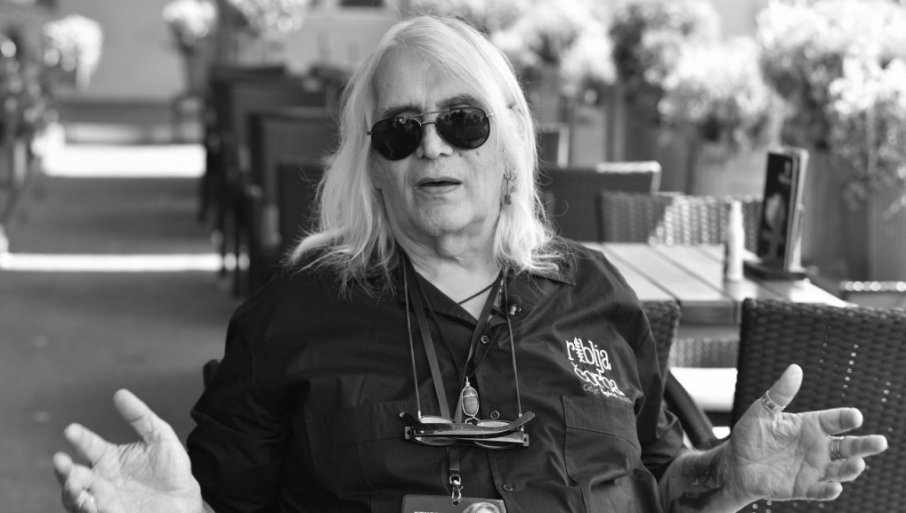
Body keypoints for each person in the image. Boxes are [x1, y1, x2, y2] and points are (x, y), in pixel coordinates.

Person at [53, 15, 887, 513]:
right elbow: (219, 498)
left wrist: (726, 477)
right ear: (372, 167)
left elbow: (657, 481)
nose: (433, 147)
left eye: (462, 120)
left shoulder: (595, 292)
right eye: (400, 131)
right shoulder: (292, 316)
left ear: (511, 140)